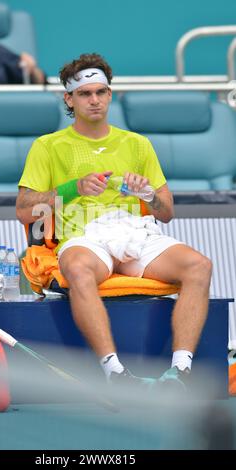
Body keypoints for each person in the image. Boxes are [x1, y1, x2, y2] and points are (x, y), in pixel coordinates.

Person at [16, 53, 212, 390]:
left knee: (199, 266)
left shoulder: (137, 144)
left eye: (101, 92)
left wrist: (147, 194)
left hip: (134, 234)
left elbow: (166, 212)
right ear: (69, 98)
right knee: (77, 269)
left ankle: (180, 371)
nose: (94, 100)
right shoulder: (47, 146)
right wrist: (71, 188)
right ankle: (115, 373)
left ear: (110, 94)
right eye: (84, 93)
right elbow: (23, 209)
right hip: (84, 237)